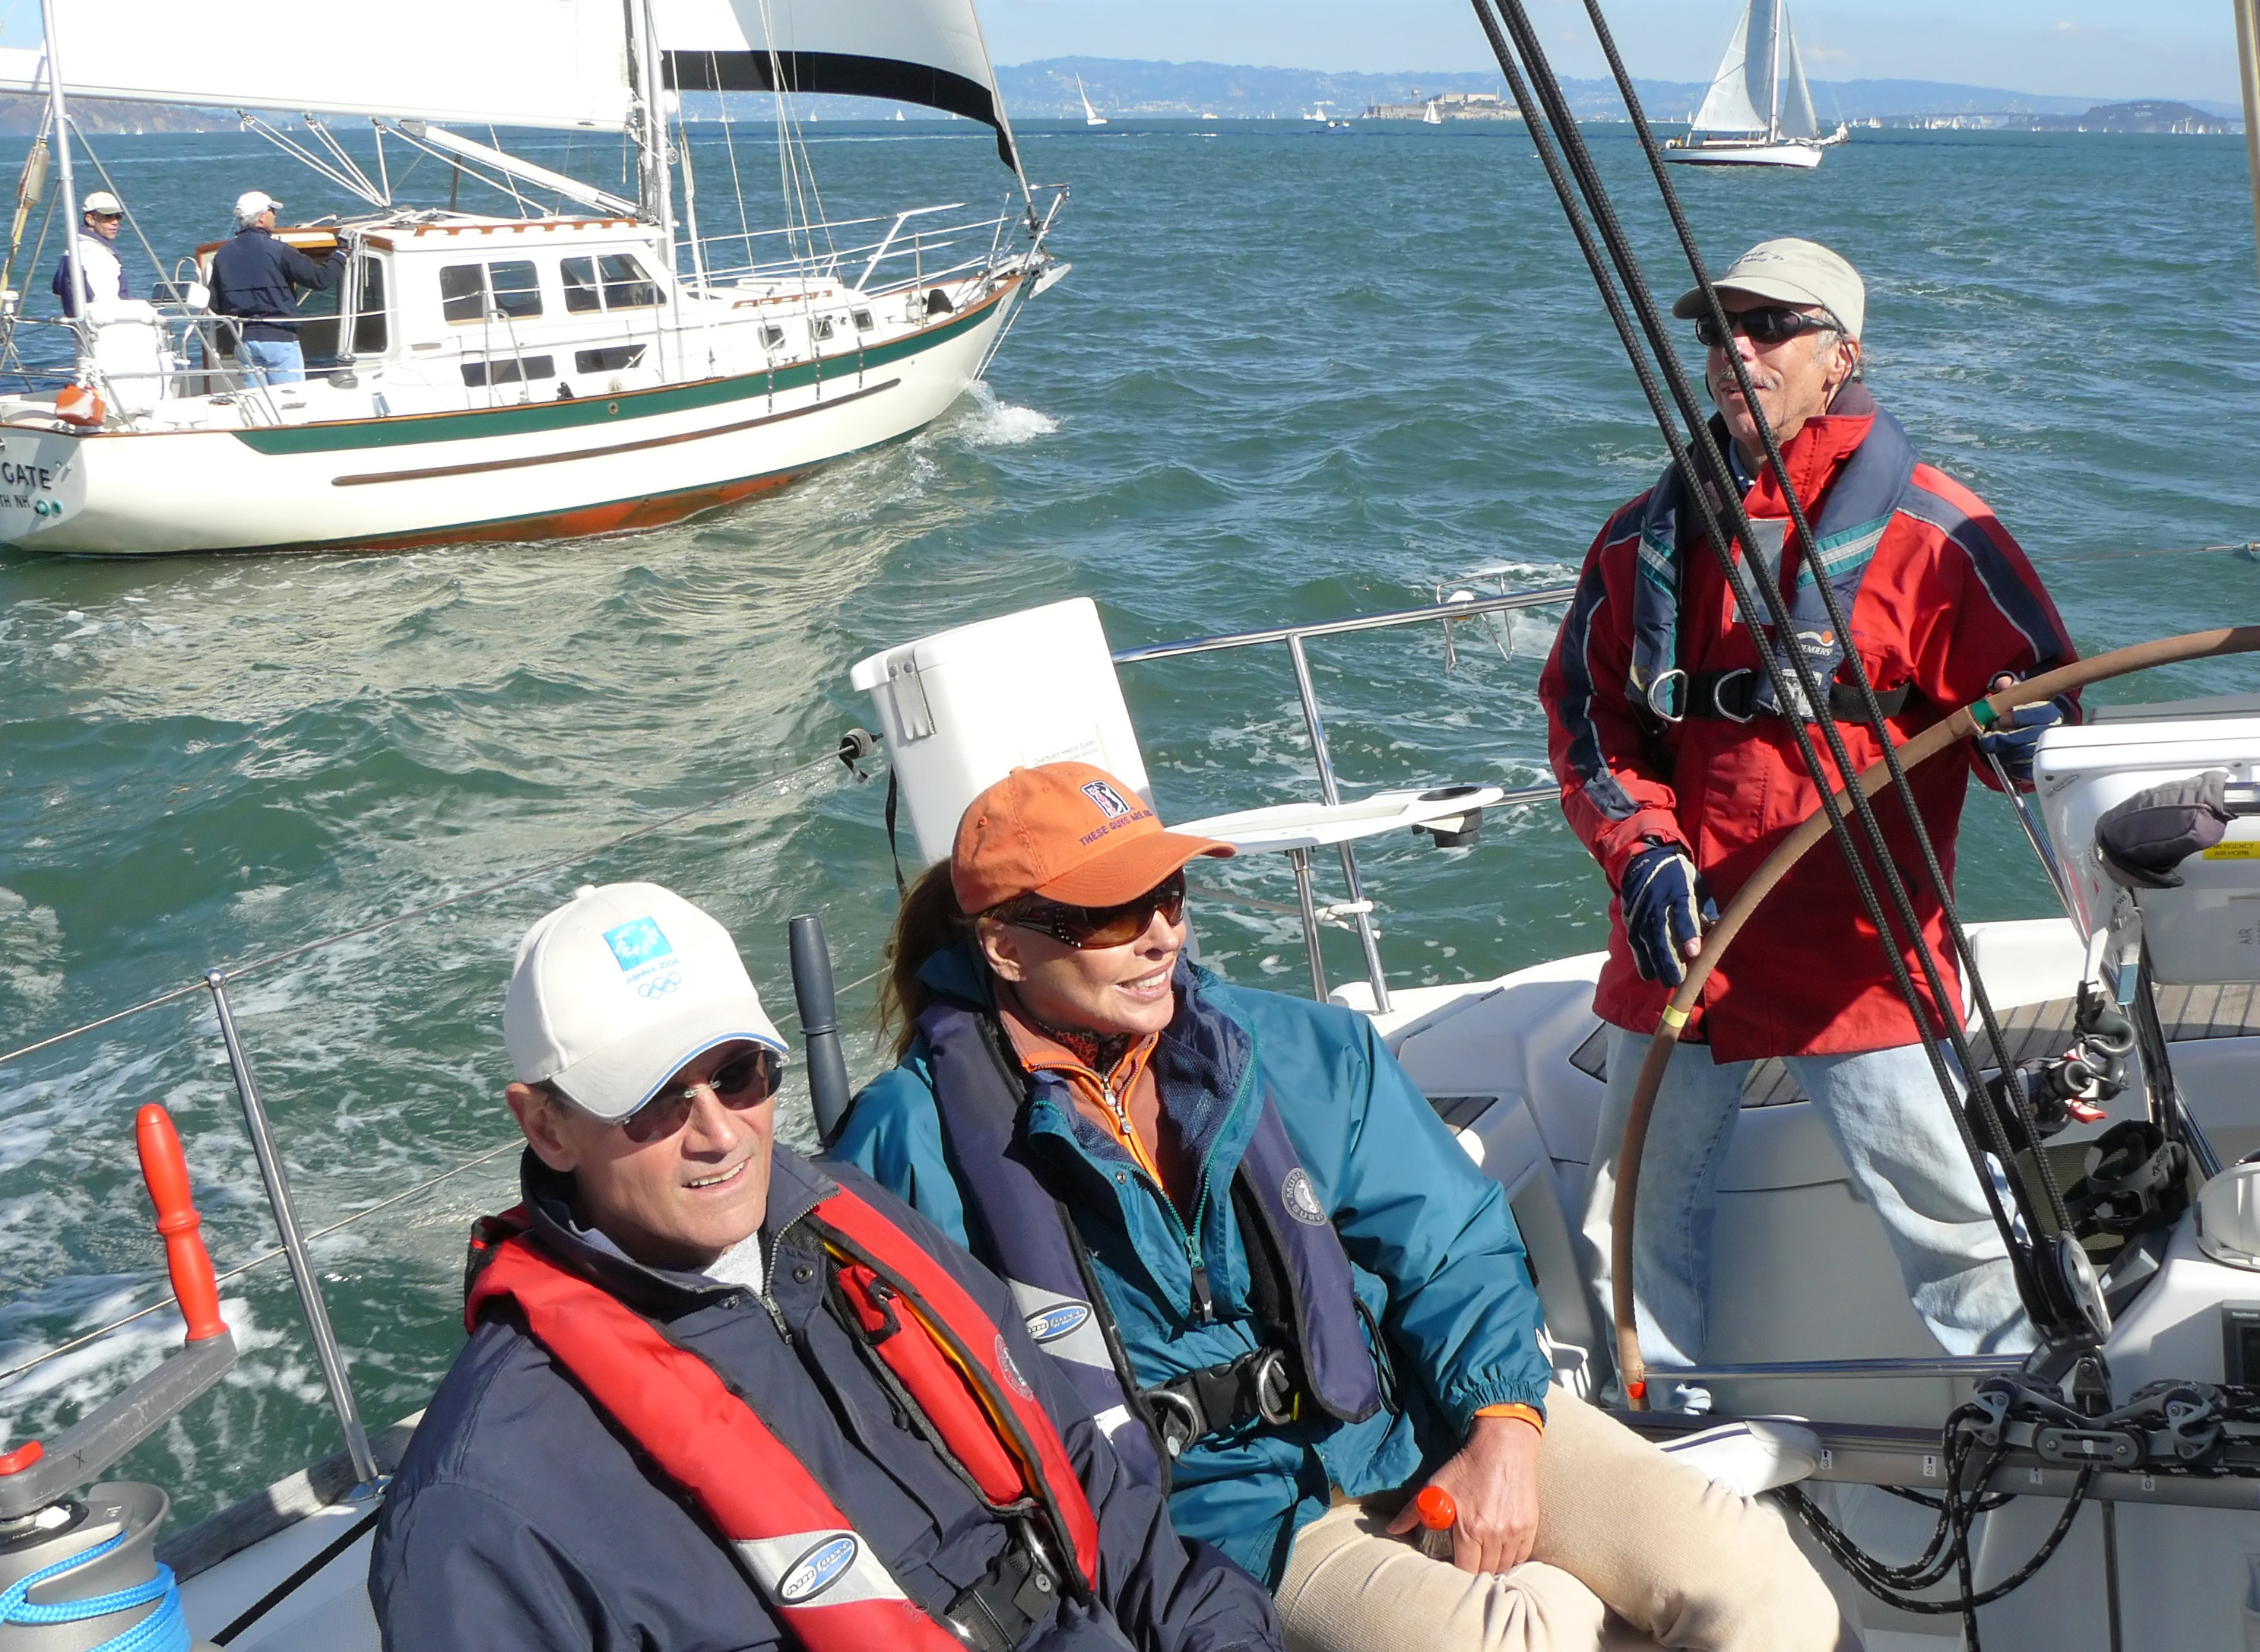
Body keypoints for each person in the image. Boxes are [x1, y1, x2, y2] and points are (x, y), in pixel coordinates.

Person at [832, 763, 1849, 1652]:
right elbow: (896, 1417)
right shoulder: (906, 1144)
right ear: (1005, 947)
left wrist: (1502, 1425)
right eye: (1110, 915)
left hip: (1413, 1411)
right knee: (1535, 1630)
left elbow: (1452, 1245)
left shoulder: (1305, 1050)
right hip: (1224, 1519)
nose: (1159, 936)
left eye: (1168, 895)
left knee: (1758, 1581)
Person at [368, 880, 1285, 1652]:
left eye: (738, 1073)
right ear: (545, 1125)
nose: (718, 1132)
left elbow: (1102, 1499)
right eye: (653, 1100)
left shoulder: (863, 1227)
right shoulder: (486, 1498)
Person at [1539, 237, 2081, 1409]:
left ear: (1842, 355)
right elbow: (1586, 719)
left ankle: (2037, 1421)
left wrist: (2021, 735)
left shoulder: (1938, 532)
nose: (1733, 349)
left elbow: (2043, 699)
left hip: (1859, 954)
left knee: (1952, 1217)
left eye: (1769, 325)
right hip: (1683, 941)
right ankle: (1663, 1442)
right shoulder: (1642, 536)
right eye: (1715, 329)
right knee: (1628, 1219)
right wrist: (1641, 852)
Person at [207, 189, 336, 386]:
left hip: (245, 341)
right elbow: (320, 280)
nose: (275, 215)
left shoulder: (223, 255)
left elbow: (215, 304)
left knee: (258, 399)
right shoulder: (281, 251)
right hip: (279, 340)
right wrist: (341, 254)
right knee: (290, 397)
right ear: (261, 217)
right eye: (272, 211)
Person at [49, 190, 126, 316]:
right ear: (90, 219)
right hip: (105, 323)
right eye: (108, 216)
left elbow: (58, 291)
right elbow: (104, 302)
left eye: (118, 217)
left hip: (82, 323)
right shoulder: (95, 254)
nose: (115, 222)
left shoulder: (73, 250)